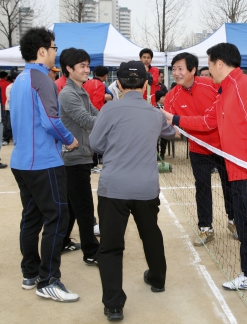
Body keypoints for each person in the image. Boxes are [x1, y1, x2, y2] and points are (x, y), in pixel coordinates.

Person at [163, 43, 247, 315]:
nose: (208, 70)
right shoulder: (224, 89)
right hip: (236, 171)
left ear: (218, 63)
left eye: (209, 63)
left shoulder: (244, 86)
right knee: (245, 227)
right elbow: (207, 122)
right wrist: (174, 117)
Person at [89, 60, 176, 322]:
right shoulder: (154, 113)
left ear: (118, 83)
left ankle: (113, 304)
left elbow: (95, 143)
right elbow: (170, 132)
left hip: (114, 186)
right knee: (151, 233)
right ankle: (157, 278)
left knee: (111, 246)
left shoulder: (109, 109)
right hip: (146, 188)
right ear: (147, 84)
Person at [9, 27, 79, 302]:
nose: (55, 53)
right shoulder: (42, 79)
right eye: (53, 48)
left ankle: (30, 273)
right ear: (42, 51)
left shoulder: (21, 79)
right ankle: (48, 279)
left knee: (32, 216)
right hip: (43, 163)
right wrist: (70, 139)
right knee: (57, 217)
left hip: (22, 161)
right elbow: (50, 120)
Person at [163, 52, 237, 245]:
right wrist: (173, 129)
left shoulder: (212, 85)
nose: (176, 73)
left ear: (193, 70)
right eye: (174, 69)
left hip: (223, 147)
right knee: (202, 188)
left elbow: (223, 112)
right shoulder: (171, 97)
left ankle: (234, 221)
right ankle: (205, 227)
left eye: (180, 68)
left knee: (230, 185)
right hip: (198, 149)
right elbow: (170, 123)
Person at [58, 47, 100, 263]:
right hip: (73, 159)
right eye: (82, 66)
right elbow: (86, 119)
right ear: (69, 68)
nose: (87, 70)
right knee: (84, 207)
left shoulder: (81, 91)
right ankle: (92, 253)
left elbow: (95, 113)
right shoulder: (67, 94)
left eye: (87, 65)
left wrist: (111, 115)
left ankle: (63, 240)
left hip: (81, 155)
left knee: (71, 205)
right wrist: (114, 121)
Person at [2, 72, 17, 146]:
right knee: (8, 125)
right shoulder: (9, 87)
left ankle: (16, 138)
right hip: (10, 108)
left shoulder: (21, 86)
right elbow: (9, 98)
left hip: (18, 109)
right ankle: (6, 139)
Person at [155, 90, 169, 162]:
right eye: (163, 97)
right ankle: (156, 154)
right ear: (158, 98)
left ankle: (162, 154)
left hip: (164, 126)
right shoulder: (154, 106)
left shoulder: (167, 106)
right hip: (155, 126)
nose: (165, 98)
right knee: (154, 138)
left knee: (164, 137)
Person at [0, 71, 11, 141]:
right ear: (6, 77)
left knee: (2, 121)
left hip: (0, 104)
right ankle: (7, 135)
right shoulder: (9, 84)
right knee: (7, 122)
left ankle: (2, 134)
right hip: (7, 105)